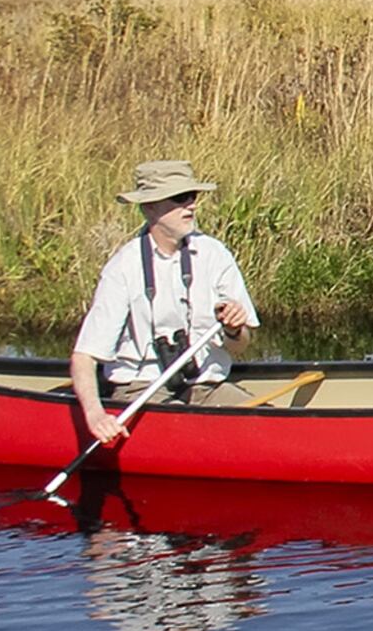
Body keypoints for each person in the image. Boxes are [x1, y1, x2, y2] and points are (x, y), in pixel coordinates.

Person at [68, 159, 260, 442]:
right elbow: (84, 357)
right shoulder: (123, 267)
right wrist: (96, 415)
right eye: (180, 198)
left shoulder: (215, 254)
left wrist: (234, 328)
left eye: (193, 197)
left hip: (203, 386)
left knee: (262, 422)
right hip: (140, 388)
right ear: (150, 207)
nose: (191, 206)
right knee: (187, 432)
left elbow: (240, 345)